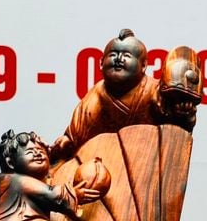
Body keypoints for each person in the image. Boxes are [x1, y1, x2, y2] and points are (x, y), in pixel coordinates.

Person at [51, 29, 160, 161]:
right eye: (113, 54)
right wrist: (68, 141)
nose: (118, 59)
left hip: (147, 158)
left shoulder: (154, 90)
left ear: (143, 65)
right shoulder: (99, 92)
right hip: (105, 159)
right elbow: (79, 130)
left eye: (126, 56)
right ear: (101, 62)